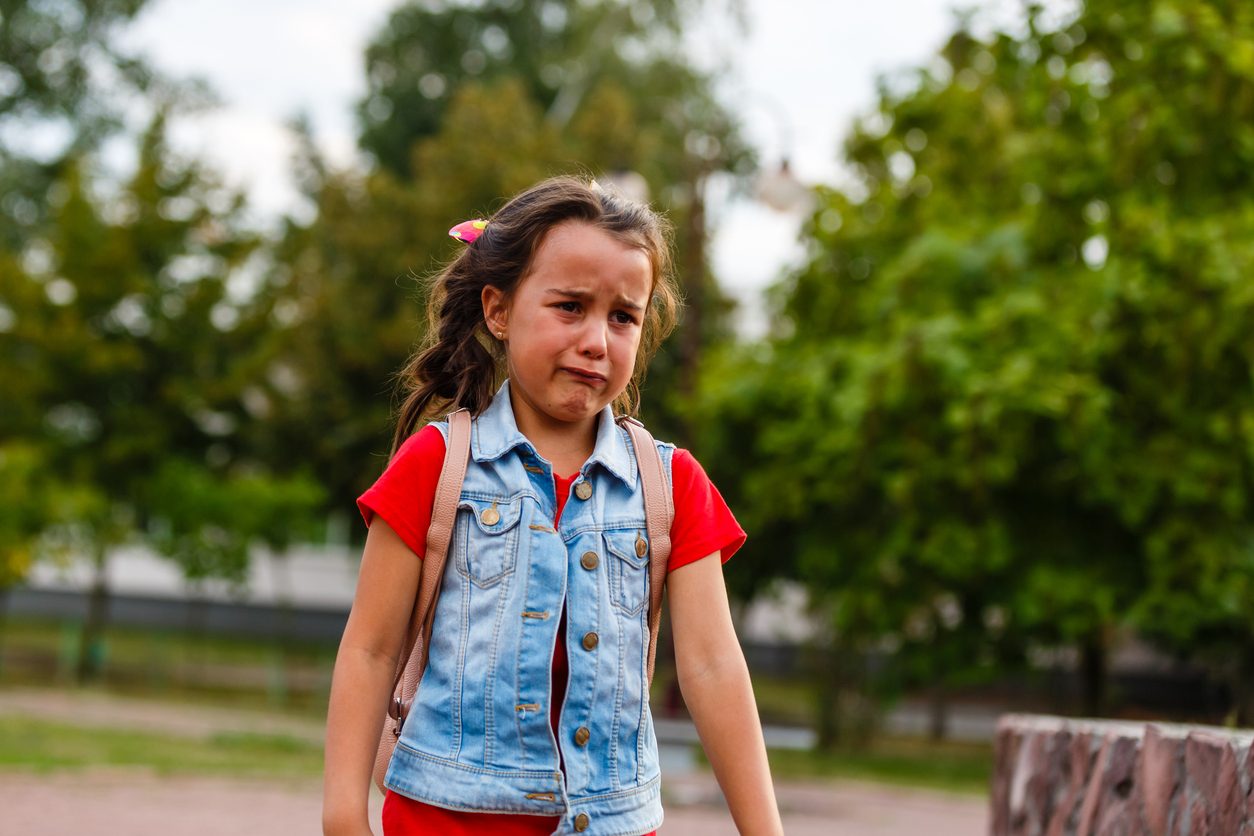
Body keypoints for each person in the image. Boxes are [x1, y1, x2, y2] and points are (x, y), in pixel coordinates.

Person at [322, 177, 784, 836]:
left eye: (623, 316)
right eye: (570, 307)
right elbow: (369, 651)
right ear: (499, 311)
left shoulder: (672, 484)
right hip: (443, 820)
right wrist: (343, 815)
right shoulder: (436, 465)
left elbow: (713, 666)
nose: (598, 339)